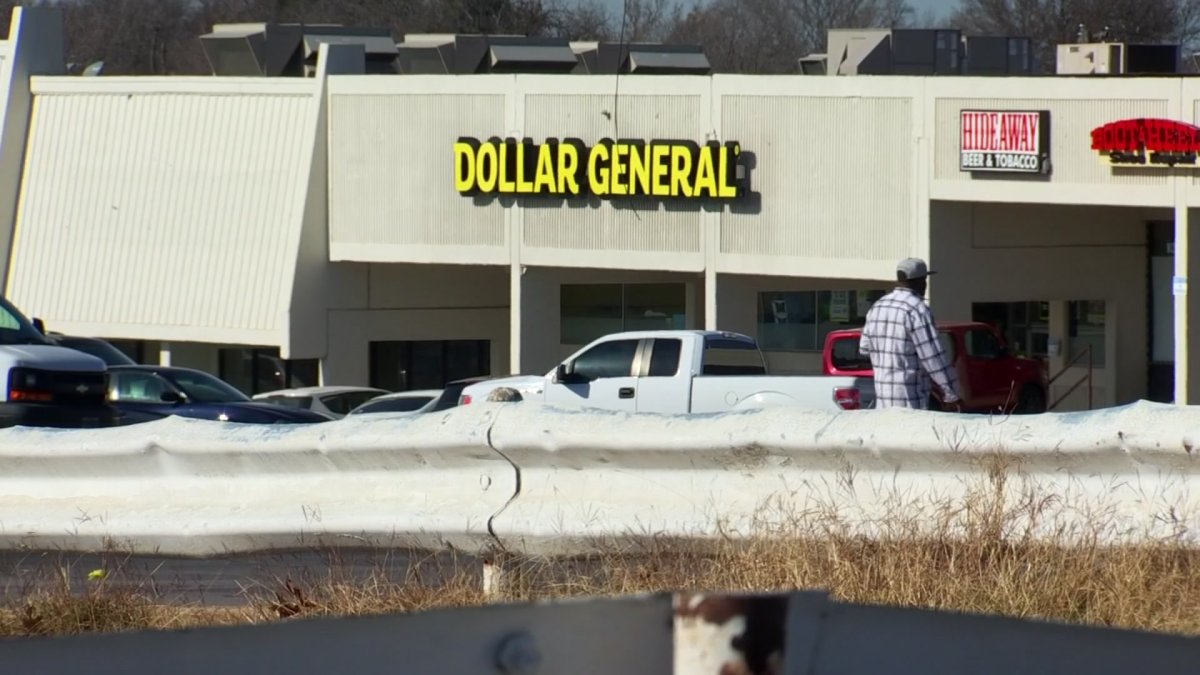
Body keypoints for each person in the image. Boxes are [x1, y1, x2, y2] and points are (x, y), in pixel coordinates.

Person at [859, 257, 963, 411]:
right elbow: (933, 357)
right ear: (921, 281)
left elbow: (864, 348)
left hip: (882, 401)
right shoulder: (917, 309)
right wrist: (952, 394)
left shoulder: (878, 305)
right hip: (911, 399)